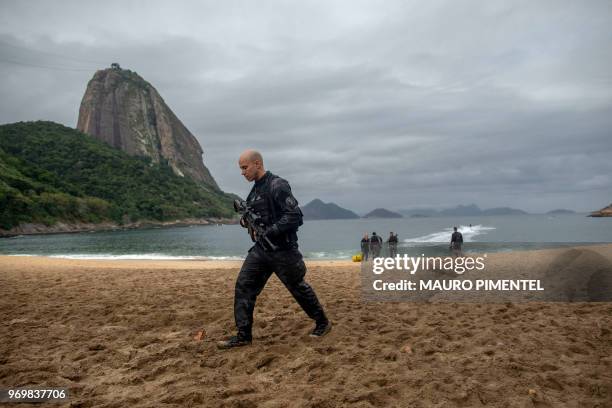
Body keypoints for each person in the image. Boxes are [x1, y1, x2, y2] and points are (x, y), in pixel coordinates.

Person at [217, 150, 331, 349]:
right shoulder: (254, 191)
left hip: (283, 250)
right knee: (244, 286)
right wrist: (247, 222)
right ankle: (244, 335)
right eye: (240, 169)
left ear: (257, 164)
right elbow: (256, 216)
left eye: (245, 167)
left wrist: (270, 231)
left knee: (298, 287)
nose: (242, 172)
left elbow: (295, 216)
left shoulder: (277, 185)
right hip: (261, 250)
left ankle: (323, 323)